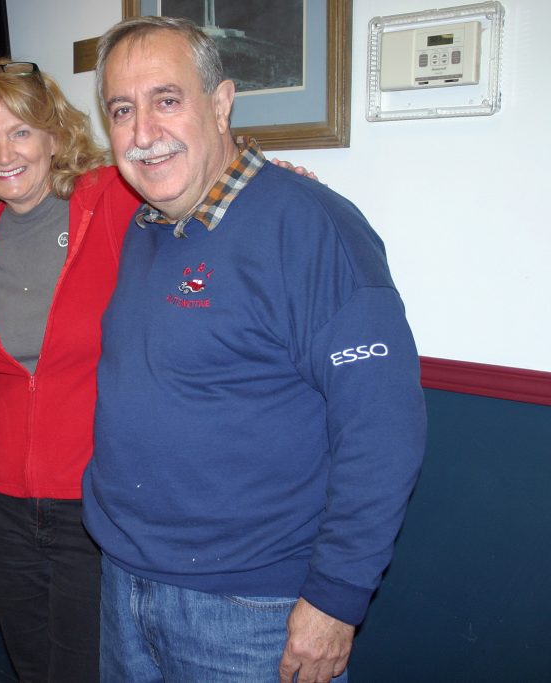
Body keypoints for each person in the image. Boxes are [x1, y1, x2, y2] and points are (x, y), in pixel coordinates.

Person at [81, 16, 427, 683]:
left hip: (251, 610)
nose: (143, 131)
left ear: (221, 102)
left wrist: (335, 599)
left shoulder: (313, 227)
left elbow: (383, 431)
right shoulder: (144, 227)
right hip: (125, 585)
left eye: (167, 99)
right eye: (122, 110)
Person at [0, 60, 141, 683]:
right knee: (31, 663)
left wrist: (270, 179)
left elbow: (196, 189)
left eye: (20, 131)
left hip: (91, 495)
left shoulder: (111, 198)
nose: (4, 153)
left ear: (55, 135)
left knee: (86, 666)